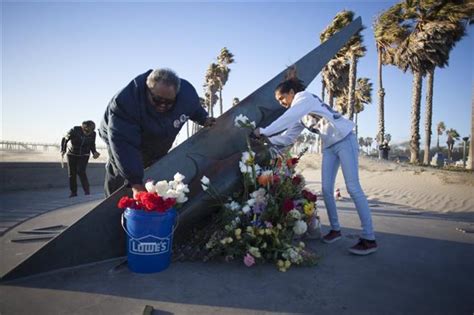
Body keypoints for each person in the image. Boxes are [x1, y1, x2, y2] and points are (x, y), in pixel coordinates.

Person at [253, 76, 377, 255]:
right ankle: (335, 230)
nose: (281, 103)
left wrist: (263, 130)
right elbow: (288, 138)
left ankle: (369, 238)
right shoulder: (299, 114)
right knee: (326, 190)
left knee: (353, 187)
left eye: (282, 98)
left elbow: (287, 117)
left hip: (345, 139)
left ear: (292, 93)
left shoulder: (303, 98)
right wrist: (264, 139)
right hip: (329, 145)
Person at [99, 68, 215, 198]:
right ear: (147, 91)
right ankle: (114, 203)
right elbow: (125, 146)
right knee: (121, 174)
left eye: (169, 102)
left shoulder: (187, 96)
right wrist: (136, 184)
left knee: (157, 172)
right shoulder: (126, 103)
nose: (162, 105)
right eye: (157, 100)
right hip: (122, 138)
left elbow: (193, 109)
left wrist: (204, 119)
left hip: (158, 139)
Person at [61, 120, 100, 197]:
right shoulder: (74, 130)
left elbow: (92, 144)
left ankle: (87, 191)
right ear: (82, 127)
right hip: (72, 154)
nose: (88, 133)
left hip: (84, 155)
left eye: (91, 131)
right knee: (72, 174)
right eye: (87, 131)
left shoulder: (93, 134)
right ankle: (73, 192)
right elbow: (65, 139)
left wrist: (94, 152)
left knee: (81, 171)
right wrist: (63, 150)